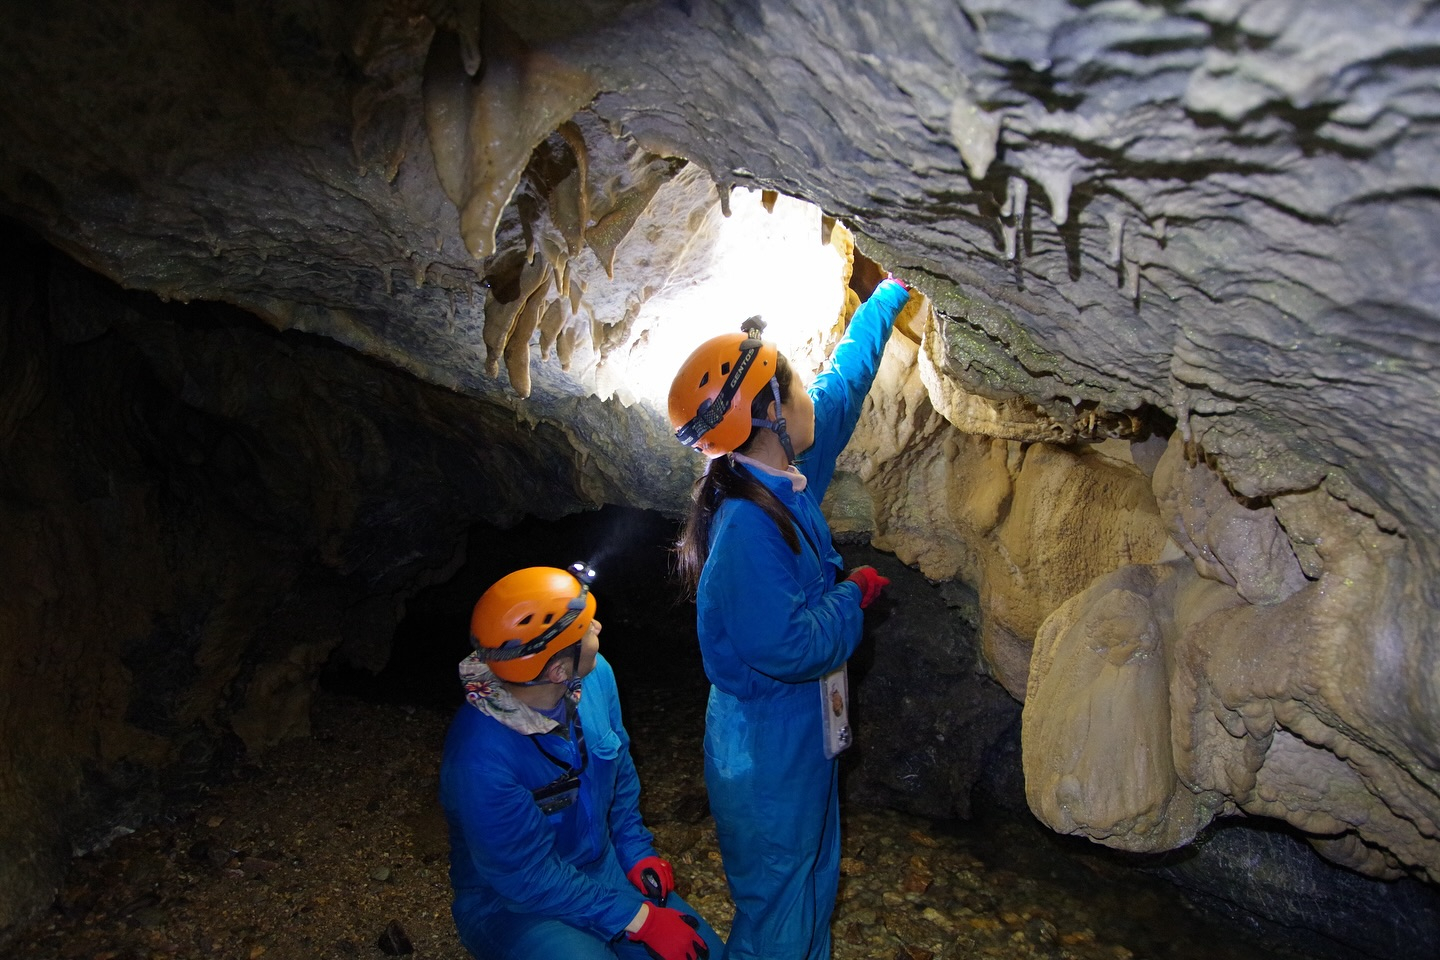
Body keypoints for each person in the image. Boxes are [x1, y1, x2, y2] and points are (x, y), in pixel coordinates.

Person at [667, 269, 912, 960]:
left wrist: (887, 298)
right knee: (777, 904)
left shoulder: (782, 476)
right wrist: (852, 593)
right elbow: (790, 646)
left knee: (809, 883)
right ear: (770, 413)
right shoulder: (747, 527)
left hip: (800, 733)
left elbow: (842, 388)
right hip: (765, 749)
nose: (810, 395)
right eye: (795, 387)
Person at [439, 563, 723, 960]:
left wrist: (634, 850)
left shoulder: (593, 677)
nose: (599, 629)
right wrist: (640, 919)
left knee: (706, 953)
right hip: (513, 904)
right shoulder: (480, 759)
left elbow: (618, 766)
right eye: (586, 629)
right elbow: (525, 877)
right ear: (557, 670)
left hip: (600, 867)